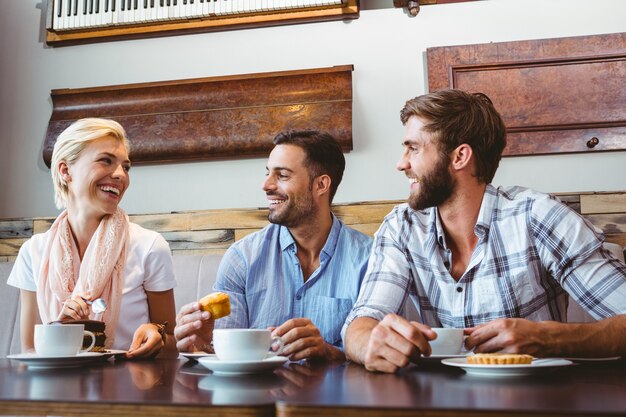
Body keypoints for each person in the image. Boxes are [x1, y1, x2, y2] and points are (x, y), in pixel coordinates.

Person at [342, 89, 626, 373]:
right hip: (438, 403)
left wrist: (549, 338)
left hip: (540, 400)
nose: (401, 163)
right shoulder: (402, 226)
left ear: (460, 157)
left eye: (413, 148)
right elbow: (361, 321)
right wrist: (369, 343)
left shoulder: (538, 215)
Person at [174, 130, 372, 361]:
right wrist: (203, 347)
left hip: (337, 394)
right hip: (257, 395)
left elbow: (378, 355)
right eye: (268, 173)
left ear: (321, 185)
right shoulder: (242, 258)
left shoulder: (369, 259)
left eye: (282, 175)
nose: (266, 185)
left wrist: (330, 353)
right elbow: (226, 353)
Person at [8, 118, 177, 359]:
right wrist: (61, 330)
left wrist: (158, 335)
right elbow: (29, 351)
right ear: (65, 171)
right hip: (55, 391)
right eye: (106, 161)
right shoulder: (33, 252)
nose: (120, 175)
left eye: (126, 167)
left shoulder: (149, 246)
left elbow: (172, 347)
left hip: (129, 387)